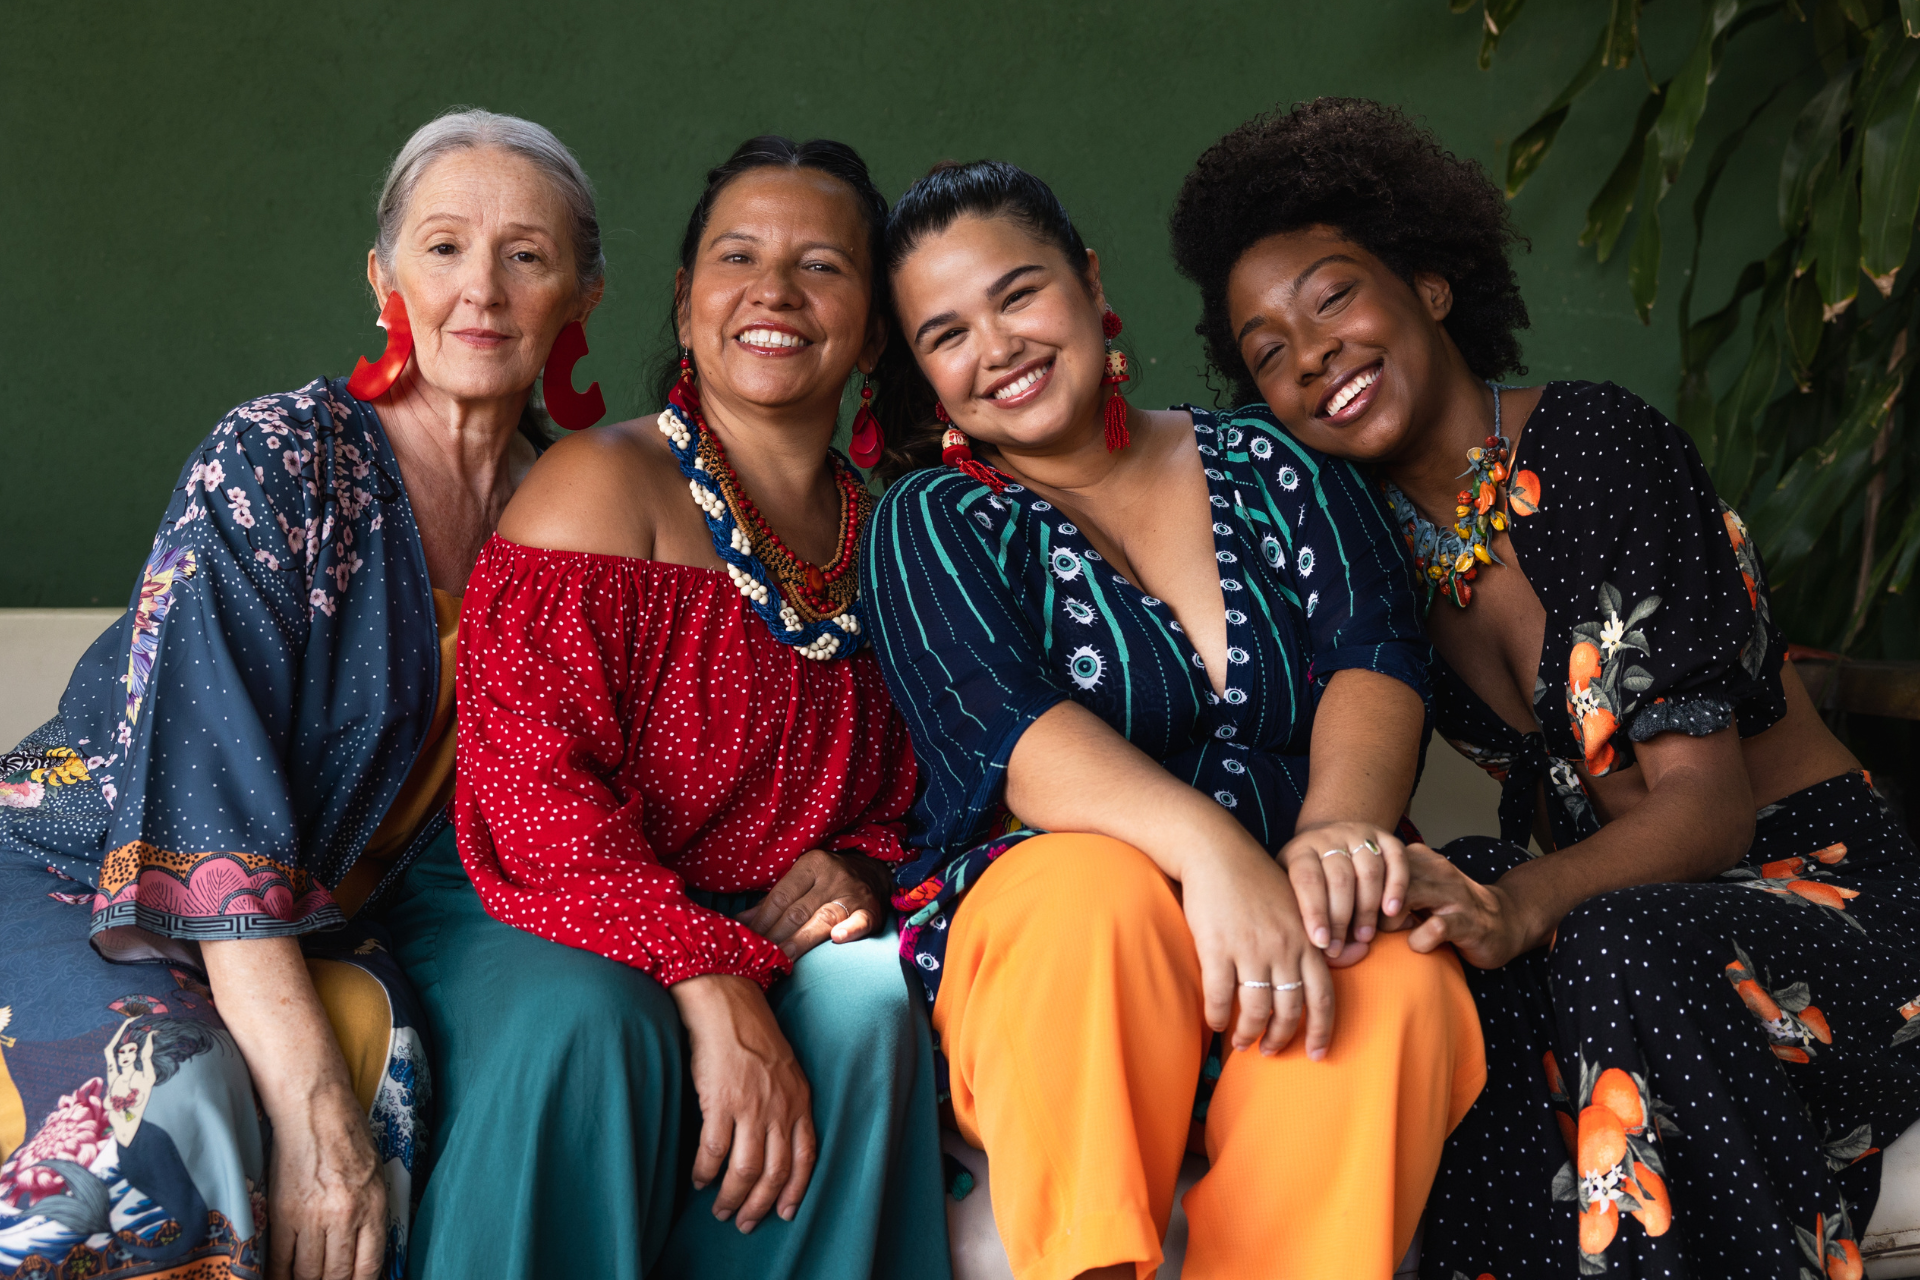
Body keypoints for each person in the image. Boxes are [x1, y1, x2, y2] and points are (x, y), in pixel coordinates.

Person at [1168, 96, 1920, 1279]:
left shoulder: (1593, 449)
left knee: (1590, 935)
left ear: (1428, 285)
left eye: (1333, 297)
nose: (1310, 353)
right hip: (1624, 929)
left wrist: (1525, 903)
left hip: (1821, 907)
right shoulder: (1371, 560)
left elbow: (1709, 806)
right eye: (1268, 351)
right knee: (1444, 963)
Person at [0, 107, 603, 1280]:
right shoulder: (281, 458)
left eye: (526, 254)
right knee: (175, 1096)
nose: (480, 287)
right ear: (384, 277)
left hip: (318, 914)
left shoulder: (577, 511)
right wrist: (313, 1104)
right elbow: (202, 804)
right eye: (441, 247)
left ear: (579, 293)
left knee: (401, 1081)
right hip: (78, 863)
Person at [863, 159, 1486, 1280]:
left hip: (1298, 908)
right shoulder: (933, 519)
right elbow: (1013, 734)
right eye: (946, 333)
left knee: (1394, 964)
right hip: (1072, 948)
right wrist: (1215, 856)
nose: (996, 347)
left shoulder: (1271, 458)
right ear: (922, 371)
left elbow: (1374, 654)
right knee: (1086, 892)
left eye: (1017, 294)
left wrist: (1337, 831)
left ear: (1087, 278)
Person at [390, 135, 948, 1280]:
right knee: (599, 1022)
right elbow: (533, 792)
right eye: (738, 256)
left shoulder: (892, 539)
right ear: (688, 303)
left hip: (758, 911)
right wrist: (704, 971)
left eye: (824, 265)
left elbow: (936, 789)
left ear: (875, 327)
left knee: (866, 997)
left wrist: (859, 867)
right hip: (537, 892)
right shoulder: (601, 485)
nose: (775, 291)